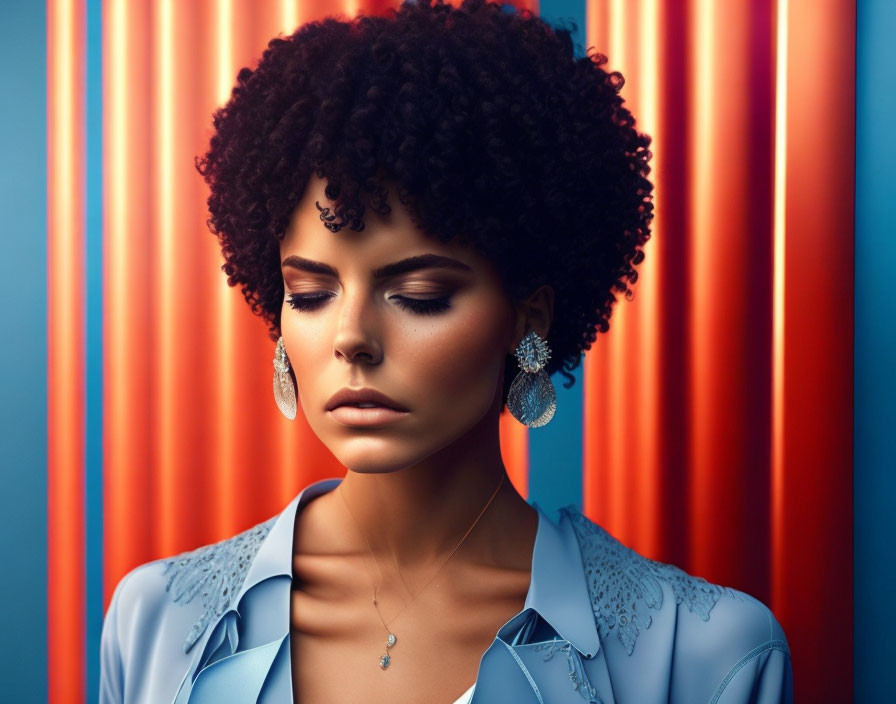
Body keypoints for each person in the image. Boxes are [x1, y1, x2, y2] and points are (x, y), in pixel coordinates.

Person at [98, 1, 793, 702]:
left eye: (421, 295)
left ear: (529, 317)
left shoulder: (705, 656)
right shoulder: (156, 622)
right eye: (310, 294)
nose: (351, 339)